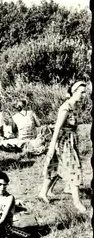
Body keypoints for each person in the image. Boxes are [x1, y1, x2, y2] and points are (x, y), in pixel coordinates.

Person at [38, 81, 88, 213]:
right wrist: (52, 147)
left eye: (85, 92)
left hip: (71, 140)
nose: (84, 95)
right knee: (74, 168)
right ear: (74, 91)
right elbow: (58, 128)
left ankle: (43, 193)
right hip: (63, 142)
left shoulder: (76, 106)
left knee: (56, 167)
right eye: (82, 92)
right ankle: (77, 202)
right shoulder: (65, 107)